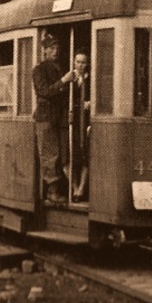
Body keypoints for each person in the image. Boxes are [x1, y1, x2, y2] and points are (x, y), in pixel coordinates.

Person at [33, 35, 73, 202]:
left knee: (62, 153)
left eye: (57, 48)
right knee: (50, 154)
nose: (56, 51)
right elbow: (44, 91)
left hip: (61, 117)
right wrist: (63, 81)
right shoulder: (39, 70)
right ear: (45, 50)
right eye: (52, 48)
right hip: (46, 117)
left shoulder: (61, 68)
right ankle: (52, 191)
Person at [70, 51, 91, 202]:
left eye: (83, 62)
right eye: (78, 62)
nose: (80, 65)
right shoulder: (69, 79)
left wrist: (91, 103)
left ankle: (81, 189)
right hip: (72, 122)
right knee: (68, 158)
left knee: (84, 157)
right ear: (73, 62)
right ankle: (74, 187)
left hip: (85, 122)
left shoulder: (91, 79)